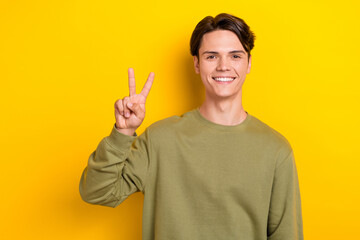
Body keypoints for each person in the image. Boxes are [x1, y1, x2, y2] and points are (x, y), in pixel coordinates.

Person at [79, 13, 303, 240]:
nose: (223, 66)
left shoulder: (276, 149)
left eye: (235, 56)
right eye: (211, 56)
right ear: (196, 63)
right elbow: (97, 193)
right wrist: (123, 132)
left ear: (249, 63)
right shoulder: (159, 139)